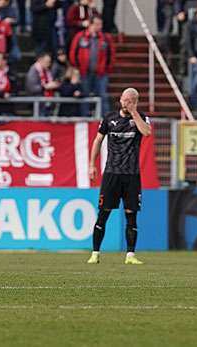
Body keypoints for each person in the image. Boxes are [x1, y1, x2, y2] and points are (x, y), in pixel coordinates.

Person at [86, 88, 151, 265]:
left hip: (131, 175)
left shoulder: (141, 118)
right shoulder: (109, 118)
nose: (126, 103)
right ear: (120, 99)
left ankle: (130, 255)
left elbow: (146, 132)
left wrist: (134, 112)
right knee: (103, 213)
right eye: (124, 99)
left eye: (130, 100)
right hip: (112, 173)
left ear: (135, 102)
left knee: (131, 214)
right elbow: (98, 140)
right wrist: (92, 164)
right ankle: (95, 253)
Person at [69, 15, 115, 117]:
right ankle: (84, 117)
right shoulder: (80, 37)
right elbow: (73, 53)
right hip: (84, 72)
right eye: (97, 24)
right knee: (84, 96)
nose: (99, 27)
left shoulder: (106, 38)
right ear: (90, 24)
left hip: (101, 73)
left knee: (102, 96)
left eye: (100, 24)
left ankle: (106, 119)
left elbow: (111, 55)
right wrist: (77, 67)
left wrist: (107, 69)